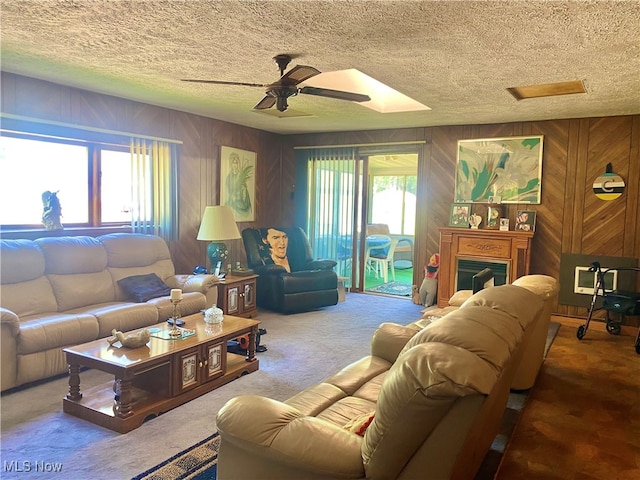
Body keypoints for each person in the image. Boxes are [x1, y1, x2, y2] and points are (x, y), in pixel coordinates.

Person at [225, 152, 252, 218]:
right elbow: (228, 189)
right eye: (233, 163)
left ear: (238, 164)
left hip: (241, 198)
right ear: (231, 164)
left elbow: (244, 189)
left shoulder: (241, 176)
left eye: (236, 163)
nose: (234, 165)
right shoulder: (229, 177)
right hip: (232, 199)